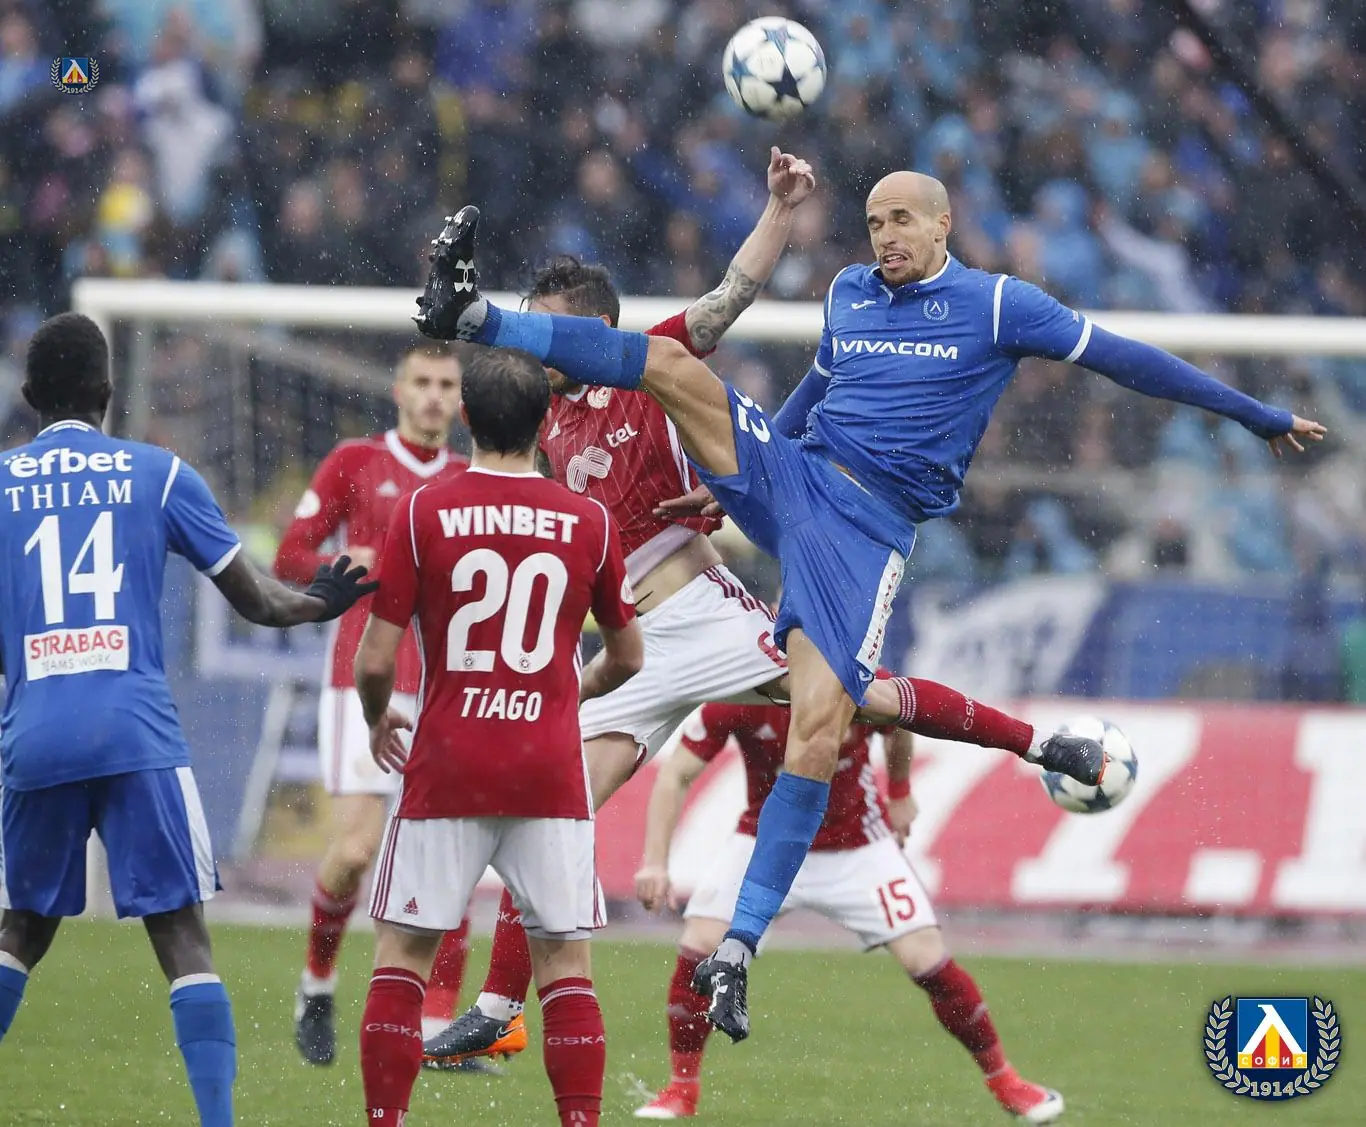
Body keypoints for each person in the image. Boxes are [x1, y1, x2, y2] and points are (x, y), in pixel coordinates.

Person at [413, 165, 1326, 1042]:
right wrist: (733, 479)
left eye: (901, 220)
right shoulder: (849, 291)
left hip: (862, 531)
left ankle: (737, 947)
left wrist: (1254, 413)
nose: (884, 235)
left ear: (942, 226)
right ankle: (475, 314)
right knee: (667, 363)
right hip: (789, 476)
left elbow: (1127, 359)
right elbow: (819, 388)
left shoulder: (1001, 305)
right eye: (875, 221)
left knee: (821, 725)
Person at [0, 312, 377, 1126]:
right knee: (180, 934)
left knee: (20, 930)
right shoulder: (159, 474)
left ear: (28, 395)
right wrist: (320, 601)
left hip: (36, 732)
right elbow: (259, 599)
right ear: (108, 391)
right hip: (134, 731)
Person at [352, 348, 644, 1127]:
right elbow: (629, 655)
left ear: (465, 416)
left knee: (403, 956)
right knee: (565, 969)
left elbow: (375, 660)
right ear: (546, 420)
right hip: (549, 769)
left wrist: (377, 715)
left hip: (449, 762)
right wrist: (568, 694)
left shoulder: (424, 511)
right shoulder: (589, 519)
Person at [632, 700, 1062, 1123]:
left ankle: (1006, 1082)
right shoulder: (742, 692)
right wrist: (654, 861)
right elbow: (676, 773)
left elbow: (900, 720)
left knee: (927, 959)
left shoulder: (852, 683)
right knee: (701, 947)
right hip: (765, 843)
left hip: (858, 847)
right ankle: (681, 1089)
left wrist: (900, 791)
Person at [273, 341, 477, 1067]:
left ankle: (437, 1029)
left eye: (446, 384)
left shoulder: (469, 479)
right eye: (421, 381)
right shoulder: (355, 462)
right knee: (358, 850)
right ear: (398, 389)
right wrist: (340, 564)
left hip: (451, 683)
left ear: (461, 400)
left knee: (450, 859)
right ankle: (317, 982)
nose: (433, 395)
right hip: (362, 676)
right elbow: (289, 555)